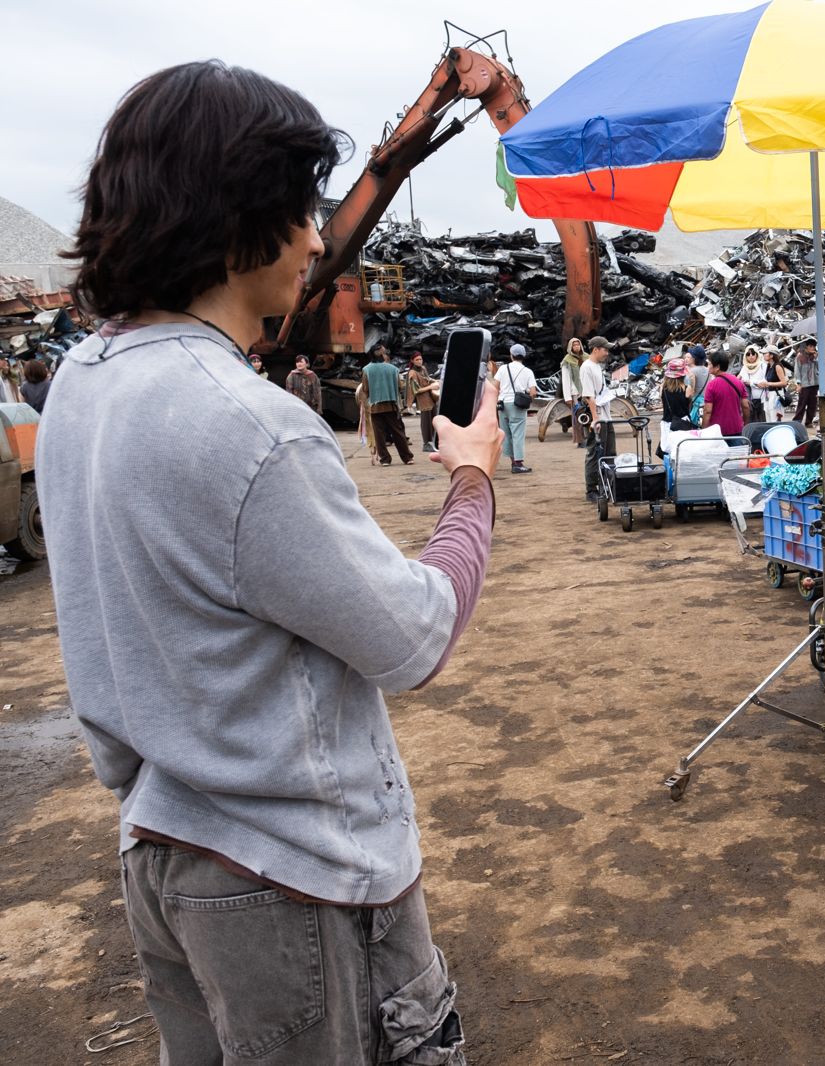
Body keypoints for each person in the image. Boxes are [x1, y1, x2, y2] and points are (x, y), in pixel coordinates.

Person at [41, 59, 501, 1063]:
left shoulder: (81, 383)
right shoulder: (255, 428)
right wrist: (473, 483)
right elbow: (414, 637)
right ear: (234, 215)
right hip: (294, 882)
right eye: (297, 208)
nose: (312, 237)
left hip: (163, 851)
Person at [363, 344, 413, 465]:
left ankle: (385, 459)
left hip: (375, 407)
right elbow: (400, 386)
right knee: (398, 432)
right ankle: (407, 458)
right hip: (391, 405)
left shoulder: (366, 370)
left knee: (379, 435)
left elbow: (365, 389)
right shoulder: (393, 369)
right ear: (382, 355)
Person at [581, 335, 613, 501]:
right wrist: (595, 419)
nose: (607, 353)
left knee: (609, 452)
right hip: (599, 416)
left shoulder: (596, 366)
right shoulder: (587, 367)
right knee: (594, 452)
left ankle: (606, 484)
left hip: (605, 415)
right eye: (605, 349)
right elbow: (589, 396)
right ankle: (591, 489)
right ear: (595, 349)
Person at [495, 342, 534, 474]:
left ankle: (513, 461)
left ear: (511, 356)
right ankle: (518, 463)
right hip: (517, 405)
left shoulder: (502, 369)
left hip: (502, 404)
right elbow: (533, 392)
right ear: (523, 356)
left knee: (507, 434)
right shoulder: (528, 371)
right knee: (518, 434)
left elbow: (495, 386)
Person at [700, 349, 748, 438]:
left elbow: (707, 411)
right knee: (737, 452)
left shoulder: (712, 385)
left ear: (717, 367)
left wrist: (704, 431)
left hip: (717, 431)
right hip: (737, 428)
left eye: (709, 364)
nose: (708, 367)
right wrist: (746, 424)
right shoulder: (738, 382)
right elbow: (745, 406)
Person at [405, 351, 439, 453]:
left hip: (431, 398)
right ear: (412, 361)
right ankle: (426, 443)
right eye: (417, 360)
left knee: (434, 420)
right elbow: (416, 390)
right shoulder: (412, 373)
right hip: (423, 400)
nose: (419, 361)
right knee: (426, 423)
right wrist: (431, 387)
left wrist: (435, 381)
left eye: (420, 359)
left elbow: (427, 379)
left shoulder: (423, 369)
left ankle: (433, 441)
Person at [560, 337, 585, 446]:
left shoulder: (586, 357)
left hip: (587, 391)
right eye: (574, 345)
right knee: (578, 415)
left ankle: (588, 438)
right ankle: (579, 440)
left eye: (578, 344)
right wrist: (568, 397)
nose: (576, 347)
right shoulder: (567, 360)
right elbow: (566, 379)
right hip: (575, 393)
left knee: (588, 415)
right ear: (570, 347)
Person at [754, 348, 789, 423]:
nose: (763, 355)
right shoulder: (769, 366)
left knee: (775, 419)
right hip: (768, 394)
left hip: (776, 394)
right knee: (768, 417)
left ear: (772, 355)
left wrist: (768, 384)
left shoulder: (777, 366)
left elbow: (784, 383)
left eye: (765, 353)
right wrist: (762, 384)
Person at [792, 339, 819, 427]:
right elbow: (797, 371)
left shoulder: (815, 356)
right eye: (810, 346)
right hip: (804, 384)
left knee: (813, 404)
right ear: (806, 346)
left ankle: (809, 422)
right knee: (802, 403)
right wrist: (798, 383)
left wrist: (816, 358)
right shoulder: (800, 356)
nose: (812, 348)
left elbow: (819, 368)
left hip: (814, 383)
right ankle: (797, 421)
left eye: (813, 346)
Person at [659, 357, 692, 425]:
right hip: (683, 423)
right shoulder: (687, 388)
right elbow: (689, 407)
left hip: (667, 424)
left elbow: (664, 406)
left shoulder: (662, 388)